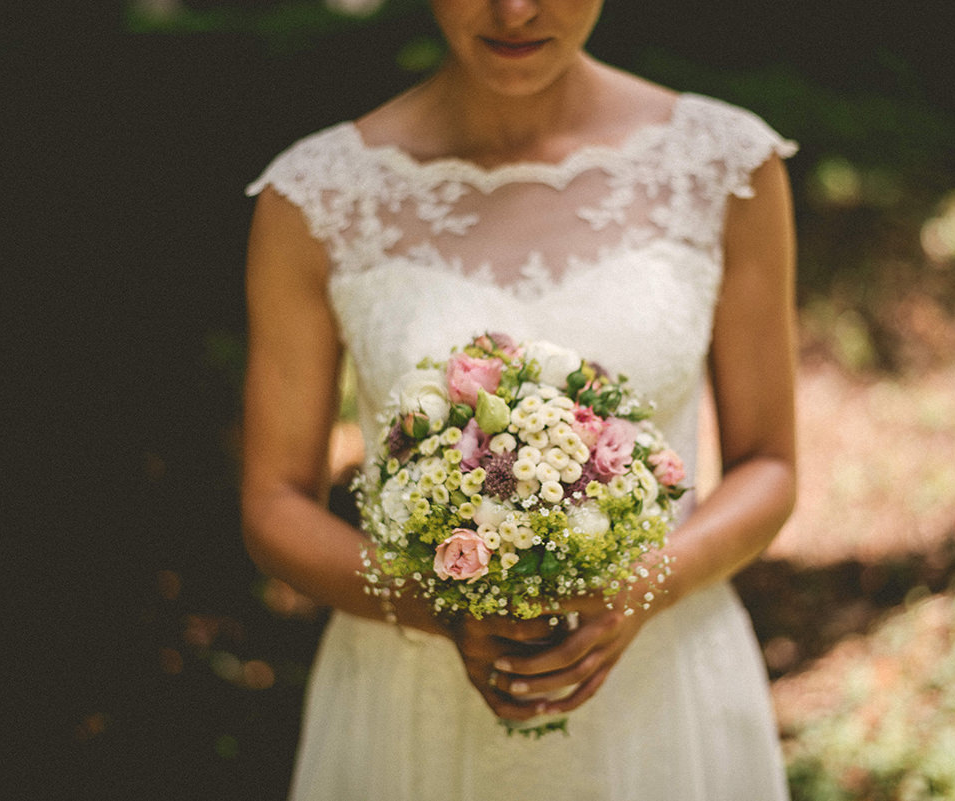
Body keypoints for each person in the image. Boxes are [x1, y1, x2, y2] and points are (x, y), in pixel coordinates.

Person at [241, 1, 798, 798]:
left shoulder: (726, 166)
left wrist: (643, 587)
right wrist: (439, 608)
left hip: (660, 691)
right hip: (410, 707)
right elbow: (272, 501)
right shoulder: (316, 196)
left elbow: (771, 464)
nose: (514, 9)